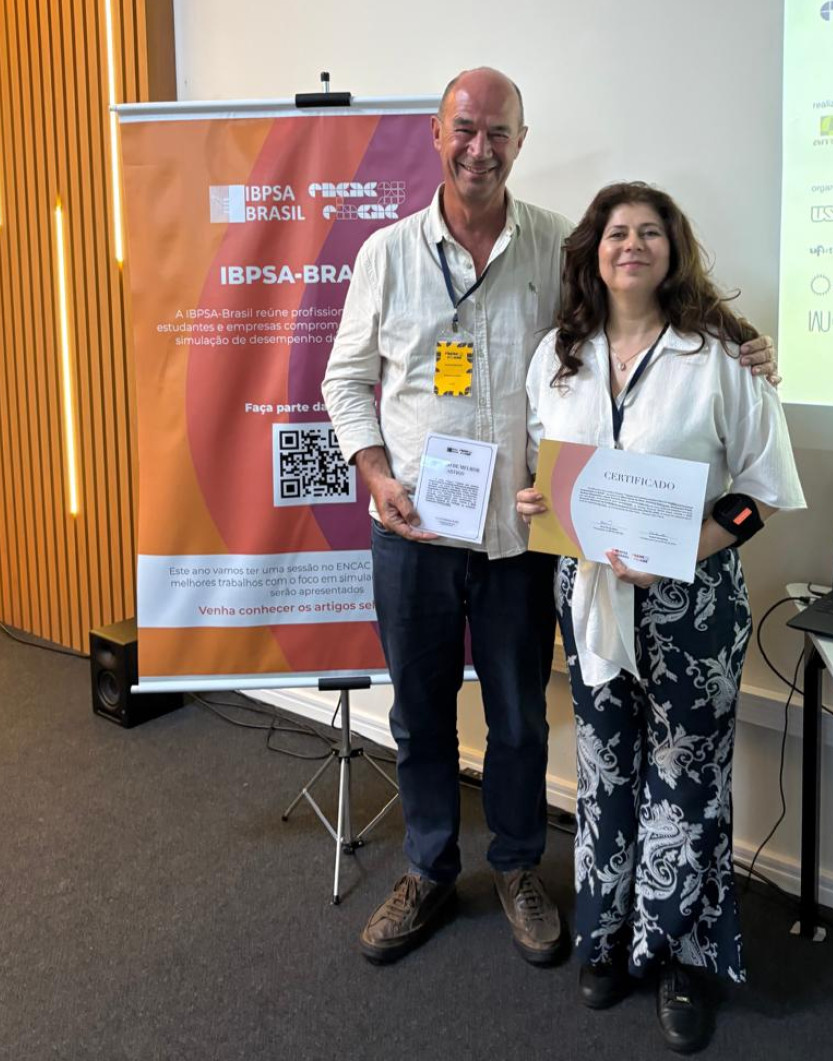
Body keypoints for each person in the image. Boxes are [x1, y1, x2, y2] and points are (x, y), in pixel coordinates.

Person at [322, 70, 777, 968]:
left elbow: (628, 325)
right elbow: (346, 379)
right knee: (418, 714)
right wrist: (374, 471)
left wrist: (740, 339)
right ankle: (426, 868)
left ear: (521, 141)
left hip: (518, 537)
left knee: (521, 717)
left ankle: (519, 866)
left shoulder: (559, 248)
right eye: (464, 128)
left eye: (498, 131)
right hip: (411, 532)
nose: (479, 147)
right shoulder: (386, 254)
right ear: (436, 133)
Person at [517, 182, 804, 1052]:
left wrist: (687, 546)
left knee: (687, 780)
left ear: (672, 250)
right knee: (603, 768)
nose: (631, 244)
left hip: (693, 605)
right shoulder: (559, 354)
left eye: (649, 231)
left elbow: (761, 494)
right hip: (590, 599)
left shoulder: (719, 355)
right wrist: (537, 500)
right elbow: (544, 467)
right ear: (593, 251)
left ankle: (682, 958)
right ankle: (607, 937)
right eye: (616, 232)